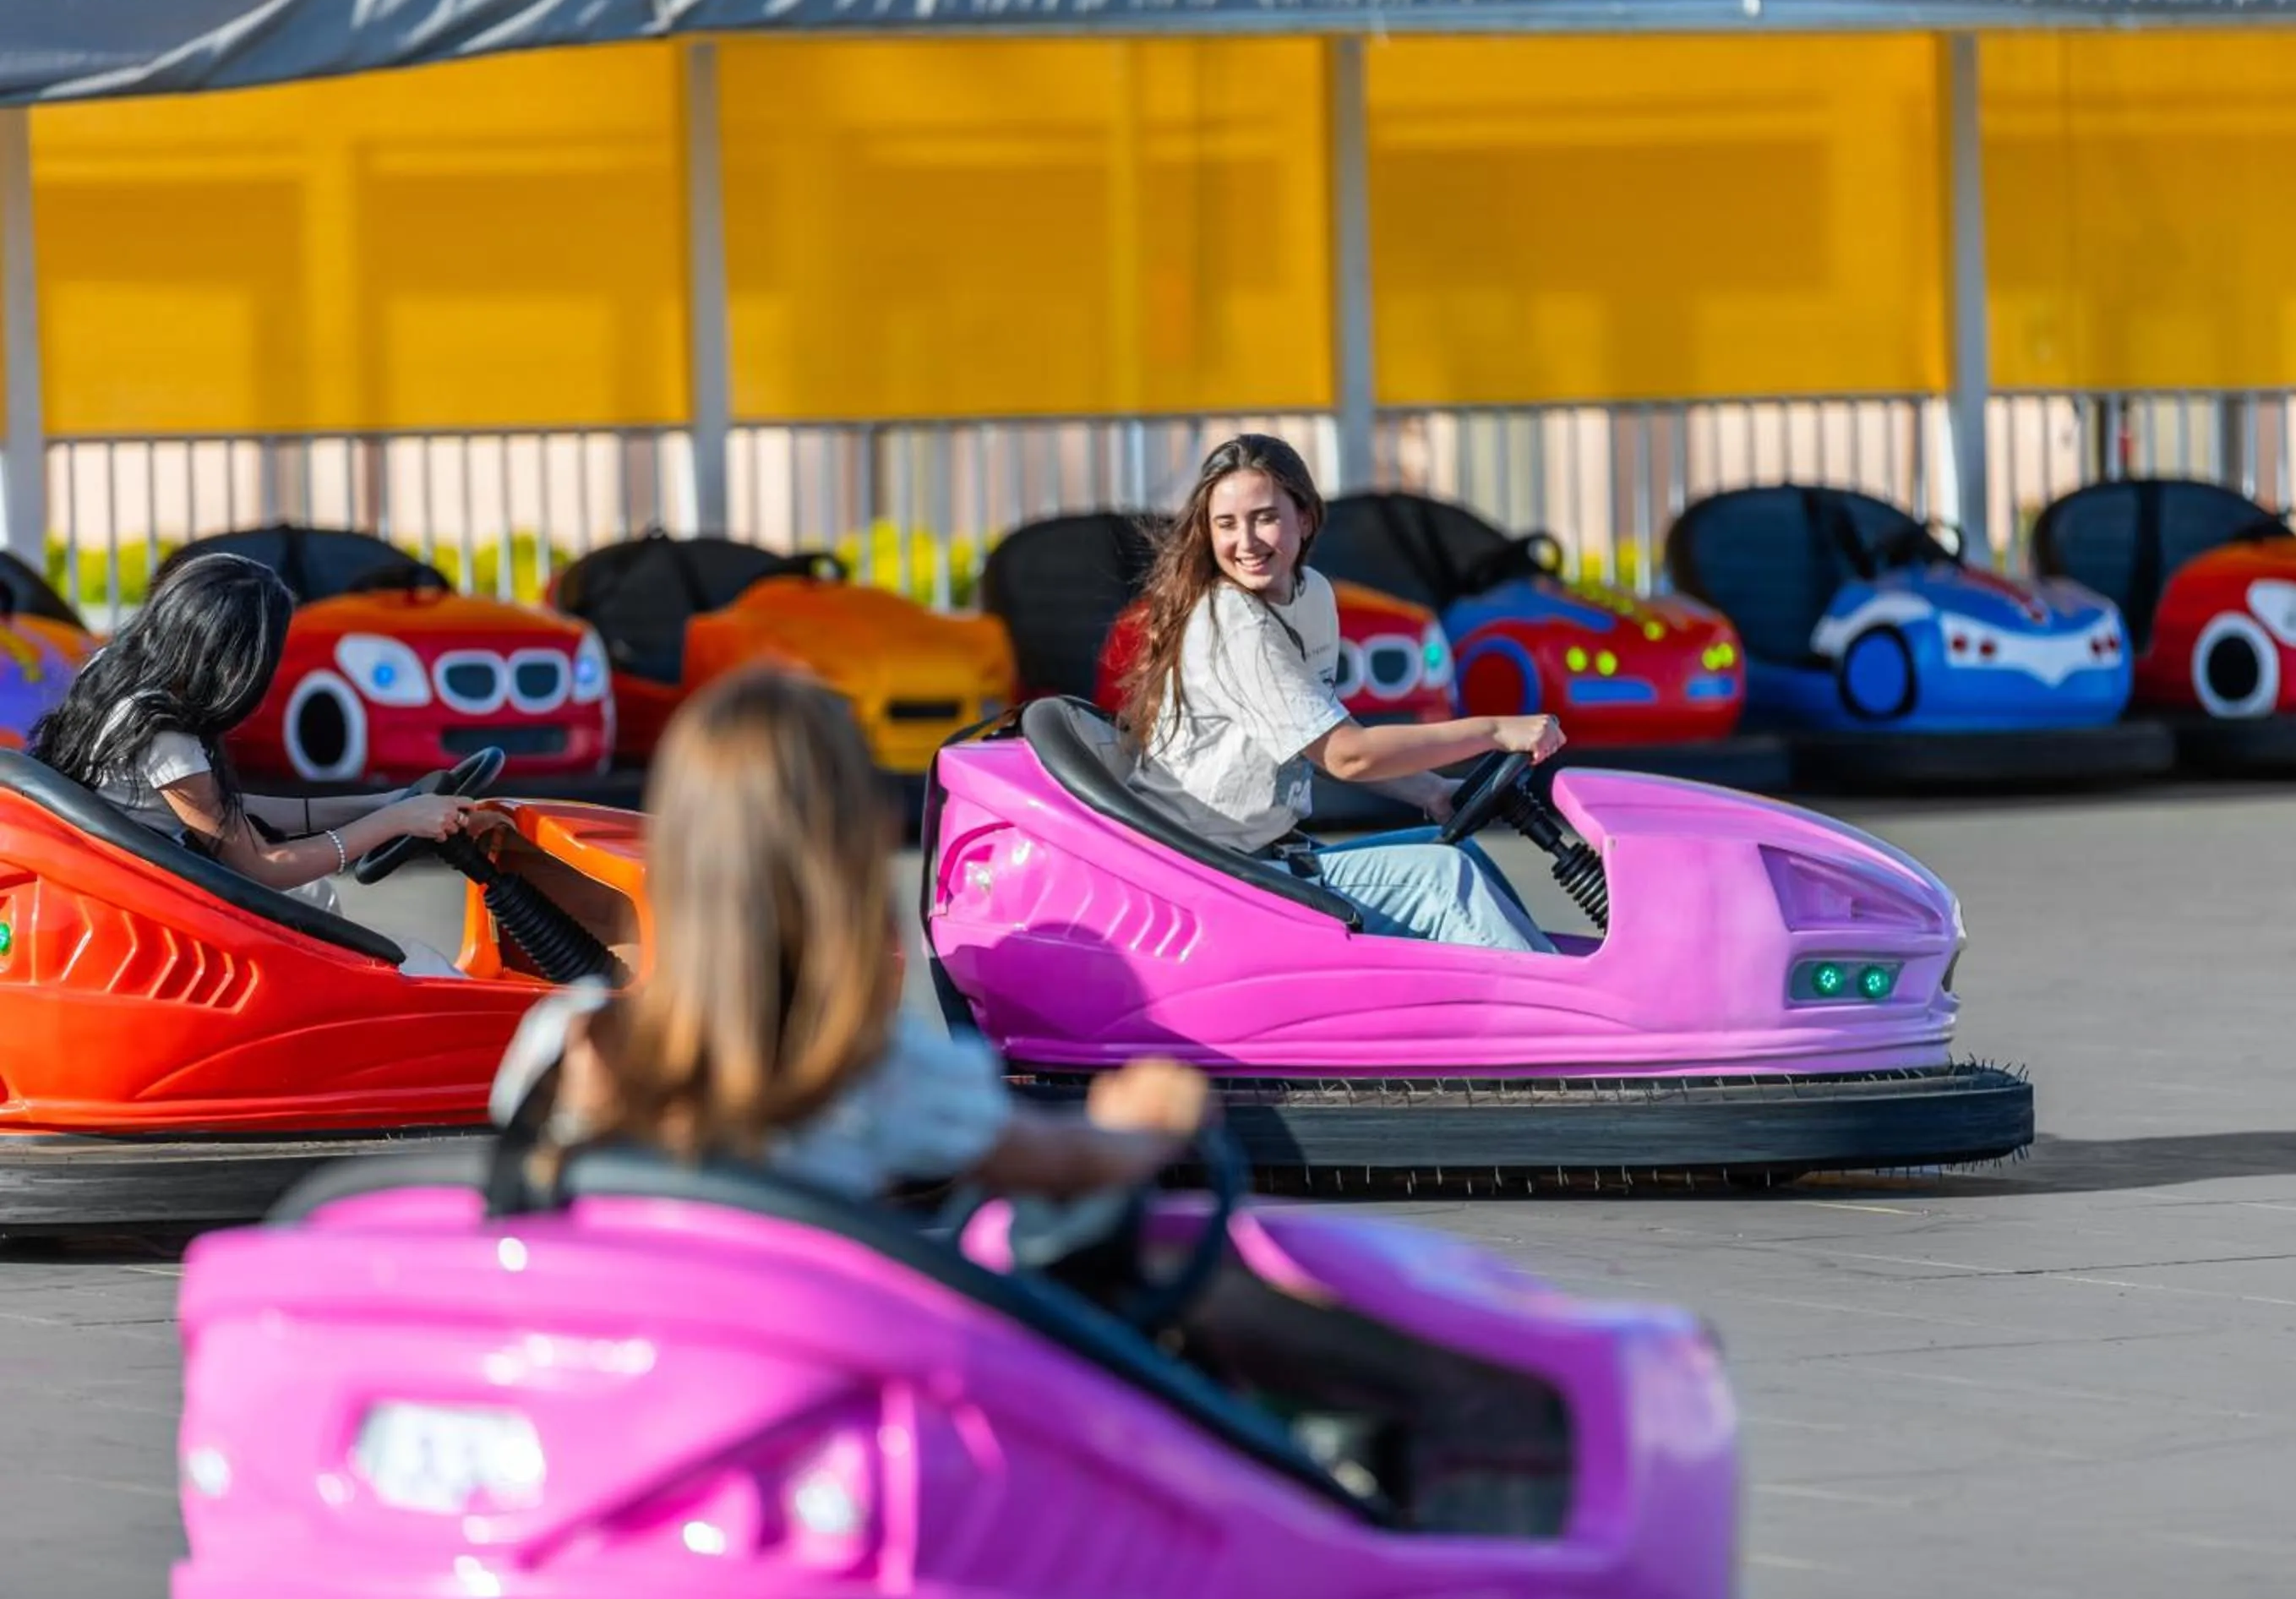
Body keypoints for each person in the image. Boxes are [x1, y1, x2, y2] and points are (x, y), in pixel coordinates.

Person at [488, 664, 1212, 1203]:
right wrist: (1150, 1120)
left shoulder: (559, 1047)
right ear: (846, 855)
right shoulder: (879, 1074)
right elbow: (1067, 1165)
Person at [1116, 434, 1562, 953]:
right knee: (1447, 882)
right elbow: (1347, 756)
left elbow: (1317, 738)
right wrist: (1493, 729)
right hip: (1214, 877)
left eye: (1265, 517)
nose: (1247, 541)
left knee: (1468, 859)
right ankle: (1575, 1026)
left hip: (1266, 858)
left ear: (1304, 518)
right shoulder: (1234, 623)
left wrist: (1432, 792)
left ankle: (1562, 992)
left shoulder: (1311, 597)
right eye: (1226, 524)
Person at [26, 552, 493, 975]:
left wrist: (383, 804)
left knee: (327, 909)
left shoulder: (116, 680)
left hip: (148, 900)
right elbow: (263, 865)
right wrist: (396, 821)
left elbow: (222, 810)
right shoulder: (164, 733)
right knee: (422, 969)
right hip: (169, 923)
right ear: (231, 660)